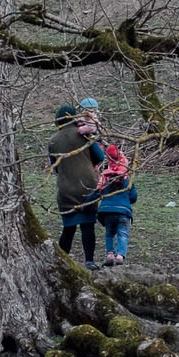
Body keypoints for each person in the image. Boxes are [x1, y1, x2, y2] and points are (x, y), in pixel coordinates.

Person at [47, 103, 105, 267]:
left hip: (65, 189)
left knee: (68, 228)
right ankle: (89, 261)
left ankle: (60, 262)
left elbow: (55, 166)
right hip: (87, 187)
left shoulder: (52, 141)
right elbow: (100, 157)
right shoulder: (84, 135)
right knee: (88, 226)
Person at [95, 151, 137, 266]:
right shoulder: (127, 179)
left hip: (107, 212)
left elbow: (99, 192)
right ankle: (119, 255)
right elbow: (133, 197)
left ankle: (110, 254)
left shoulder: (105, 178)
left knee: (109, 234)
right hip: (123, 212)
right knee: (122, 234)